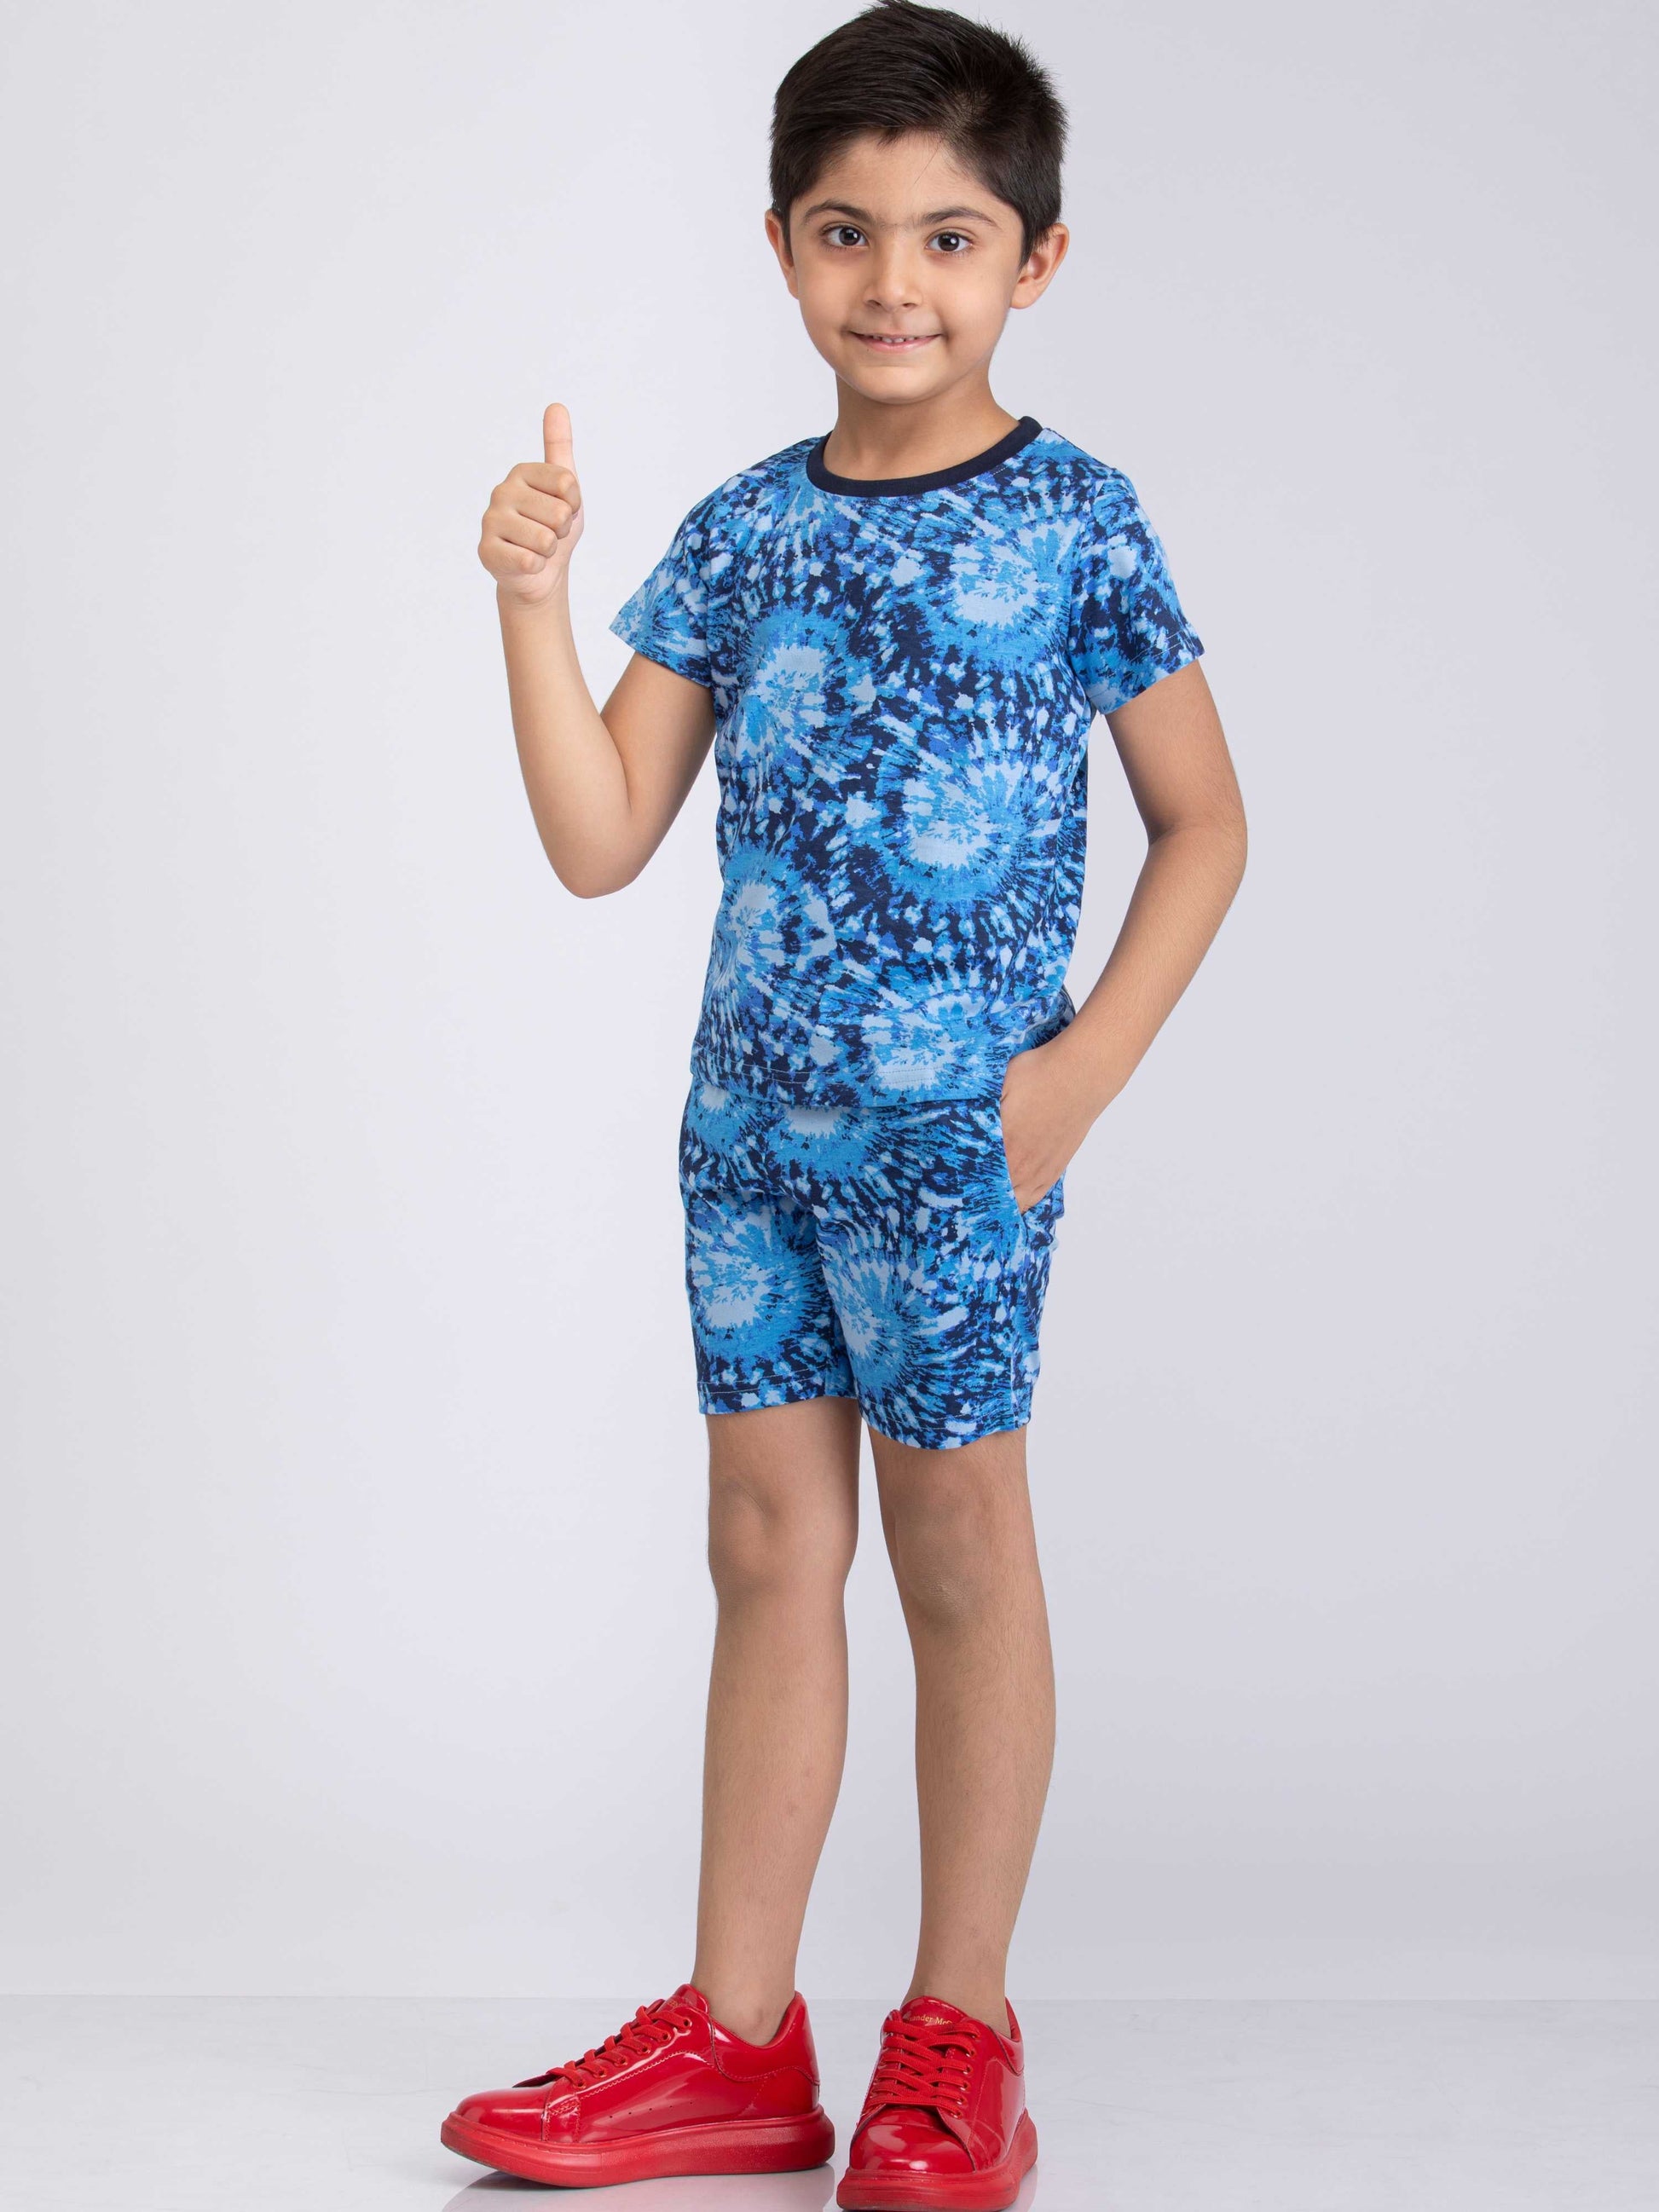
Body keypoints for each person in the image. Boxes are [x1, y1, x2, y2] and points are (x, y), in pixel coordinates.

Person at [443, 3, 1246, 2203]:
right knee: (763, 1545)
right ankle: (732, 2042)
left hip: (959, 1153)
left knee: (959, 1553)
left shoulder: (1079, 520)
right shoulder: (737, 532)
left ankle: (956, 2028)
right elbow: (600, 834)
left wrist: (1076, 1077)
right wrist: (530, 600)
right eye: (846, 231)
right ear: (783, 246)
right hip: (749, 1143)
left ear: (1035, 260)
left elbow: (1203, 824)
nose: (895, 281)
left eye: (949, 236)